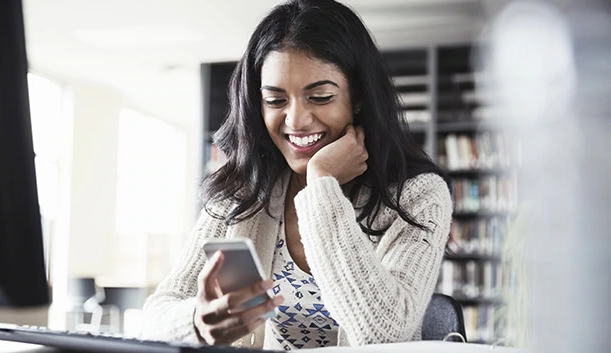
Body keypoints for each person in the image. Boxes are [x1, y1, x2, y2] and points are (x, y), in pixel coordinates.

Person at [142, 0, 452, 349]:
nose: (295, 121)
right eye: (275, 101)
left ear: (360, 98)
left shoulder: (419, 195)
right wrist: (197, 321)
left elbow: (383, 334)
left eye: (320, 97)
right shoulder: (245, 188)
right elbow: (156, 313)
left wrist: (322, 185)